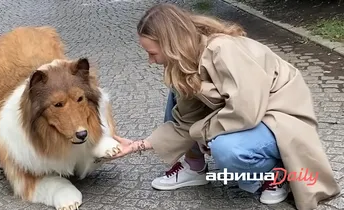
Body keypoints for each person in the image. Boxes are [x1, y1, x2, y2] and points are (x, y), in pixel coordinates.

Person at [107, 3, 341, 210]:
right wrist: (138, 145)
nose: (150, 61)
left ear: (170, 44)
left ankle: (276, 174)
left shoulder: (223, 50)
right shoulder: (184, 63)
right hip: (250, 114)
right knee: (177, 91)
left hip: (280, 116)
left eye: (152, 53)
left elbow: (246, 112)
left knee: (227, 149)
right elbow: (185, 121)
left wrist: (204, 133)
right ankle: (193, 166)